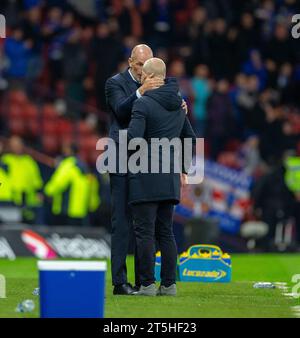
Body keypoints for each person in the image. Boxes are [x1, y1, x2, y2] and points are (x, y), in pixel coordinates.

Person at [127, 58, 196, 296]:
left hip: (145, 176)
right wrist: (184, 169)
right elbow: (190, 138)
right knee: (165, 232)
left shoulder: (143, 104)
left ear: (147, 77)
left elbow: (133, 140)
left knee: (145, 232)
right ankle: (168, 285)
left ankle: (146, 284)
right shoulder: (179, 104)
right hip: (169, 178)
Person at [105, 44, 164, 295]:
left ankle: (144, 281)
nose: (144, 69)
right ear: (130, 62)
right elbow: (120, 110)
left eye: (148, 63)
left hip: (144, 159)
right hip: (120, 158)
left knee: (144, 223)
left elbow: (167, 107)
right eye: (140, 64)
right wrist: (141, 91)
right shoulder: (115, 83)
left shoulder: (155, 81)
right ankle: (119, 282)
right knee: (121, 222)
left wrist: (179, 106)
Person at [44, 143, 99, 226]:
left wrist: (46, 192)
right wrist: (92, 204)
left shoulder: (68, 165)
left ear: (69, 150)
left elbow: (58, 183)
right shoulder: (84, 165)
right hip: (81, 210)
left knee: (63, 236)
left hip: (66, 209)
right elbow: (93, 184)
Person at [1, 136, 43, 223]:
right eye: (14, 145)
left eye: (18, 144)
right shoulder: (5, 161)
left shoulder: (29, 161)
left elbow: (36, 180)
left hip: (27, 200)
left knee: (27, 225)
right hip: (9, 200)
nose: (16, 147)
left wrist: (39, 192)